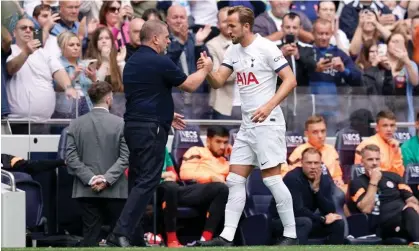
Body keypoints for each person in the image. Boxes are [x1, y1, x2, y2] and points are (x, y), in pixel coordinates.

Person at [195, 6, 298, 246]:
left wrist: (269, 106)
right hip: (248, 124)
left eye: (232, 25)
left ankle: (291, 235)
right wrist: (209, 71)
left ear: (246, 26)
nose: (227, 29)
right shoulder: (233, 49)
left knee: (272, 180)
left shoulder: (266, 47)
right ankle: (226, 237)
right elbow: (219, 81)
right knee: (234, 179)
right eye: (226, 25)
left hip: (268, 123)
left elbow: (291, 80)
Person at [107, 20, 212, 247]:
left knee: (137, 181)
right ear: (155, 38)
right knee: (148, 180)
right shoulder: (159, 61)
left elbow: (146, 94)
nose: (167, 42)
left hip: (134, 126)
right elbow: (189, 85)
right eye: (165, 37)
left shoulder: (133, 61)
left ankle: (133, 236)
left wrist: (166, 114)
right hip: (150, 128)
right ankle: (119, 232)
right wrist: (205, 70)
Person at [66, 82, 129, 247]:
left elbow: (71, 158)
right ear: (108, 99)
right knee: (118, 238)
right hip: (115, 189)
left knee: (90, 237)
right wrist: (106, 179)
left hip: (86, 189)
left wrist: (92, 179)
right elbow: (125, 157)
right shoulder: (121, 124)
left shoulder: (75, 124)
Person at [158, 126, 230, 247]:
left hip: (217, 192)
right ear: (208, 140)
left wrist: (233, 156)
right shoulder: (196, 151)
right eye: (218, 142)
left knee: (223, 189)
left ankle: (205, 240)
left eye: (225, 142)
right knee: (220, 188)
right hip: (192, 190)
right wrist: (211, 177)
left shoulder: (226, 161)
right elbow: (185, 174)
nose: (222, 147)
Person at [270, 148, 345, 245]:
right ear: (302, 163)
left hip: (305, 221)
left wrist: (316, 191)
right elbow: (298, 210)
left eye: (316, 163)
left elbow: (330, 209)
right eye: (309, 163)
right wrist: (322, 219)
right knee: (305, 222)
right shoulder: (293, 178)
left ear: (320, 164)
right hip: (280, 222)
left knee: (337, 223)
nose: (313, 167)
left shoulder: (322, 178)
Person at [349, 144, 419, 242]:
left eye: (377, 159)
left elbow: (410, 198)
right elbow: (366, 209)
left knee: (411, 210)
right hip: (385, 225)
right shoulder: (356, 182)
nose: (374, 163)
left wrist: (412, 203)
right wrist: (373, 181)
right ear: (362, 162)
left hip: (407, 217)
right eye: (370, 159)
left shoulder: (394, 176)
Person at [355, 110, 404, 177]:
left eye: (392, 125)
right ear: (377, 128)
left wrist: (396, 153)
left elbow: (399, 174)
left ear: (395, 128)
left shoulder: (395, 145)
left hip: (392, 183)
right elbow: (360, 172)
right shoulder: (367, 144)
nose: (389, 129)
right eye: (385, 126)